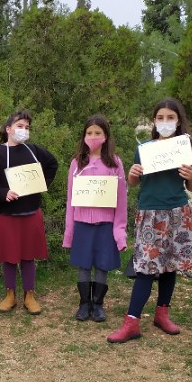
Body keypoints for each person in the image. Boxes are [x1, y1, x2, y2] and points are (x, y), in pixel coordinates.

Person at [107, 98, 192, 344]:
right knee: (146, 267)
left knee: (170, 265)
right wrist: (132, 175)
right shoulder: (145, 148)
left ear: (178, 120)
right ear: (154, 121)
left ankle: (162, 313)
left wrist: (191, 176)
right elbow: (135, 182)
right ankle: (131, 322)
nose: (165, 122)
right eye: (160, 118)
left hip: (177, 213)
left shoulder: (186, 147)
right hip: (150, 213)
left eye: (170, 118)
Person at [0, 109, 58, 315]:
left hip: (30, 212)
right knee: (9, 257)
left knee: (29, 256)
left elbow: (52, 164)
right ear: (8, 129)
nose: (23, 130)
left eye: (27, 127)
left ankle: (29, 295)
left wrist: (40, 184)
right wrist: (2, 192)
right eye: (19, 126)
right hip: (6, 215)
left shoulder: (34, 151)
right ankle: (10, 294)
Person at [63, 115, 127, 322]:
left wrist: (119, 232)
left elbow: (121, 200)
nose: (93, 137)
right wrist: (69, 232)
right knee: (83, 265)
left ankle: (98, 304)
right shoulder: (76, 164)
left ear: (106, 136)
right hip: (82, 224)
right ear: (83, 137)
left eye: (97, 133)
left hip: (105, 225)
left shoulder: (115, 163)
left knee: (101, 265)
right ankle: (84, 304)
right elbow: (70, 200)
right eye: (89, 133)